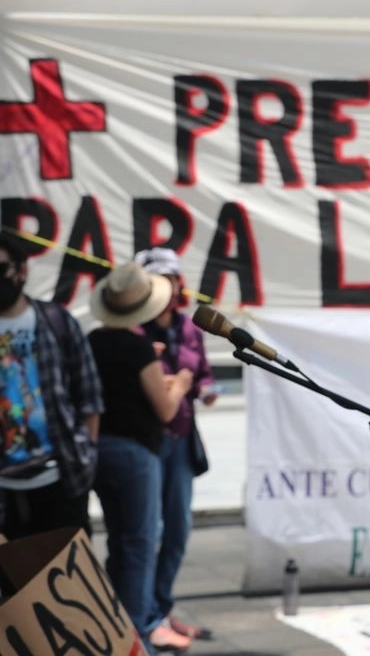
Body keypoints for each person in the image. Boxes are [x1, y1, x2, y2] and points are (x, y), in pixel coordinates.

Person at [88, 262, 194, 654]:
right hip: (135, 454)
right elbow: (165, 408)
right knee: (138, 544)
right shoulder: (137, 347)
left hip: (99, 449)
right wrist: (180, 383)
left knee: (119, 541)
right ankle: (135, 636)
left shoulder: (93, 341)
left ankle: (115, 629)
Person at [134, 247, 218, 649]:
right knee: (146, 531)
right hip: (148, 442)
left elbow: (202, 375)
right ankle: (146, 616)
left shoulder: (188, 327)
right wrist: (178, 384)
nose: (166, 288)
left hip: (182, 439)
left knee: (178, 529)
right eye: (157, 281)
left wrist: (205, 388)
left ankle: (161, 609)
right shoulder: (134, 331)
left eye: (170, 279)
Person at [0, 231, 104, 540]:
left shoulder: (55, 321)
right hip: (5, 492)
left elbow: (89, 396)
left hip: (61, 479)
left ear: (21, 271)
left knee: (69, 568)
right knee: (14, 571)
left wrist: (86, 455)